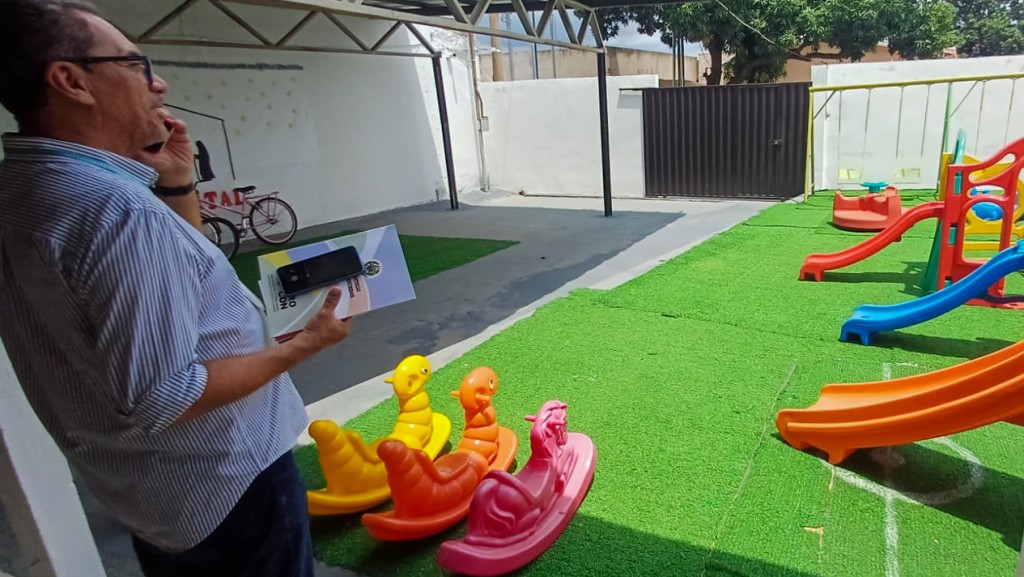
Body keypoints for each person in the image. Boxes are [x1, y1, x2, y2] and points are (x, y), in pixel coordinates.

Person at [0, 1, 350, 575]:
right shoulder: (115, 210)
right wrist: (305, 344)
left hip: (153, 493)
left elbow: (175, 279)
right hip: (225, 484)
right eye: (134, 64)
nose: (158, 82)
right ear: (71, 81)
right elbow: (166, 396)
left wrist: (177, 185)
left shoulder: (24, 186)